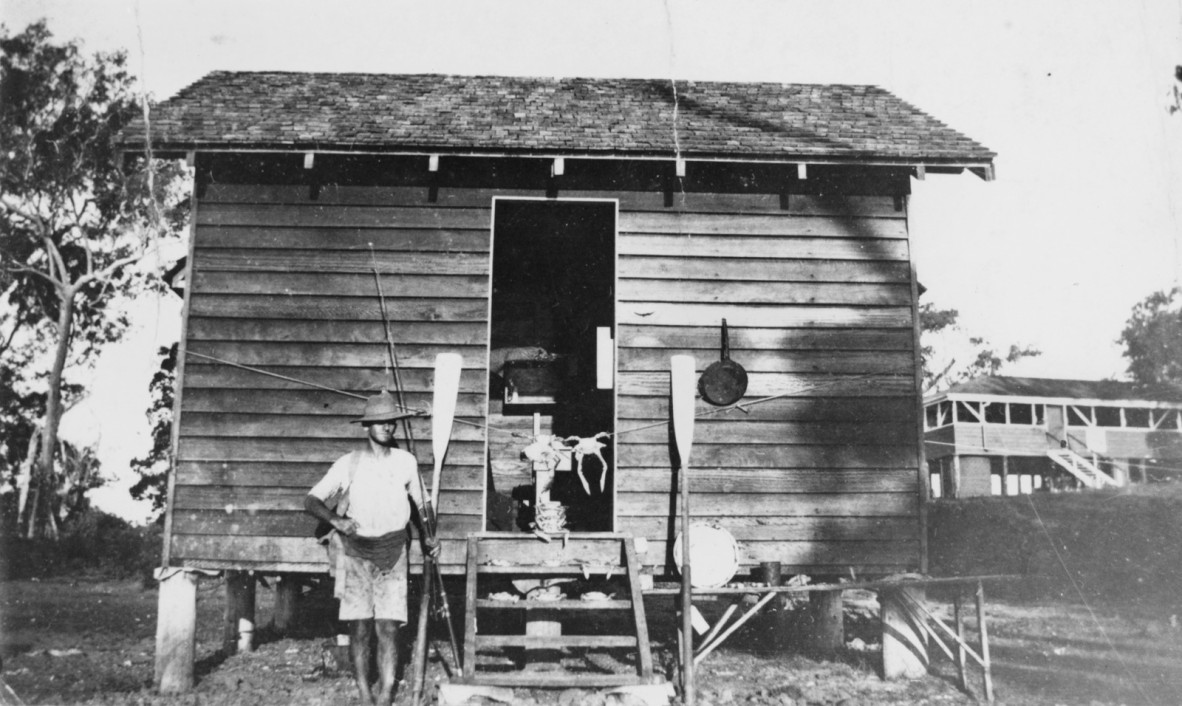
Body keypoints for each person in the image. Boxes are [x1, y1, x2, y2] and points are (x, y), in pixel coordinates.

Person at [305, 390, 440, 705]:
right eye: (379, 422)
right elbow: (311, 500)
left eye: (390, 421)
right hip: (356, 555)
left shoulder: (406, 462)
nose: (386, 427)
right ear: (367, 426)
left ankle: (385, 695)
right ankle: (365, 694)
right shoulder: (348, 464)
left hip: (394, 553)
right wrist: (336, 522)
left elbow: (423, 504)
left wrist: (429, 534)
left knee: (388, 628)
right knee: (361, 628)